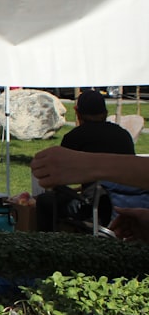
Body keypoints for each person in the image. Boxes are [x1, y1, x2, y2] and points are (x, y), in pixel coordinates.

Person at [36, 90, 136, 230]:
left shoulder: (74, 137)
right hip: (128, 203)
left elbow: (58, 179)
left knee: (45, 201)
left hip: (94, 207)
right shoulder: (124, 136)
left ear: (77, 112)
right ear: (106, 112)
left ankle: (47, 243)